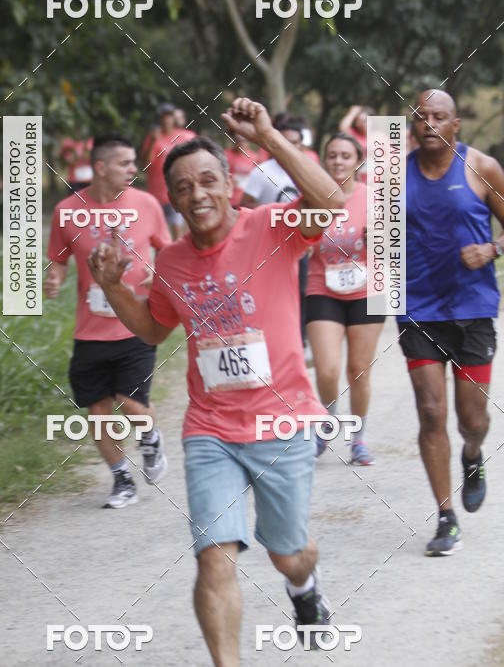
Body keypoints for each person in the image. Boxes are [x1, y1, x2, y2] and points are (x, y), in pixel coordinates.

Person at [87, 98, 347, 664]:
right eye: (183, 187)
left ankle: (304, 586)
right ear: (173, 198)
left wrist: (268, 137)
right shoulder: (173, 262)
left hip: (282, 422)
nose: (197, 194)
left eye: (208, 181)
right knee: (213, 556)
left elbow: (331, 202)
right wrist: (113, 287)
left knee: (288, 554)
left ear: (231, 184)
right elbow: (153, 329)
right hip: (210, 430)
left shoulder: (271, 226)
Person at [398, 90, 504, 556]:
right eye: (421, 116)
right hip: (418, 309)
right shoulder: (394, 175)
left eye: (439, 116)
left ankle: (472, 454)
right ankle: (445, 518)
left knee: (472, 419)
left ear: (455, 124)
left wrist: (493, 250)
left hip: (472, 308)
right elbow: (378, 235)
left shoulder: (482, 167)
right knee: (430, 411)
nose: (429, 123)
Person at [45, 135, 171, 508]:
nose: (134, 169)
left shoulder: (147, 204)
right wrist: (54, 278)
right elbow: (59, 259)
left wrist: (157, 274)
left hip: (135, 323)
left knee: (130, 403)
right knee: (98, 412)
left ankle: (151, 438)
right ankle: (122, 480)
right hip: (90, 332)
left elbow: (169, 251)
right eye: (125, 163)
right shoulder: (67, 211)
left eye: (134, 162)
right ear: (100, 167)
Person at [306, 133, 385, 466]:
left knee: (358, 371)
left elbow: (398, 247)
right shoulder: (312, 196)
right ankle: (327, 423)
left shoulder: (374, 198)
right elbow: (296, 240)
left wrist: (380, 238)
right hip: (322, 287)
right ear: (325, 160)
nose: (338, 161)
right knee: (327, 369)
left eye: (345, 156)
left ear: (358, 162)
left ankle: (359, 439)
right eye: (333, 155)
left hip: (368, 291)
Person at [241, 114, 319, 352]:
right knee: (268, 292)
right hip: (269, 243)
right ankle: (267, 340)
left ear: (301, 144)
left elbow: (319, 203)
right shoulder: (261, 172)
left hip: (300, 241)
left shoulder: (308, 169)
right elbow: (245, 204)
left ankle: (300, 341)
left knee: (301, 290)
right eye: (285, 141)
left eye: (295, 142)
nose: (290, 146)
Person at [143, 102, 196, 238]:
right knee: (158, 235)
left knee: (177, 230)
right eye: (163, 116)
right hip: (157, 193)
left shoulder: (186, 137)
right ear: (159, 119)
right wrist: (153, 141)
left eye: (169, 116)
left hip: (178, 190)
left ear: (174, 118)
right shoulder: (153, 137)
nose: (166, 120)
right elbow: (146, 166)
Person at [223, 133, 263, 207]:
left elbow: (257, 177)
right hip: (230, 199)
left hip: (246, 200)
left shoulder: (254, 157)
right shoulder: (226, 155)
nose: (241, 143)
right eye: (238, 141)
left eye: (244, 141)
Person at [339, 105, 374, 183]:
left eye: (365, 120)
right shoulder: (354, 135)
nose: (361, 123)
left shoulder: (380, 137)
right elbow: (343, 128)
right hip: (356, 179)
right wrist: (352, 113)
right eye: (358, 120)